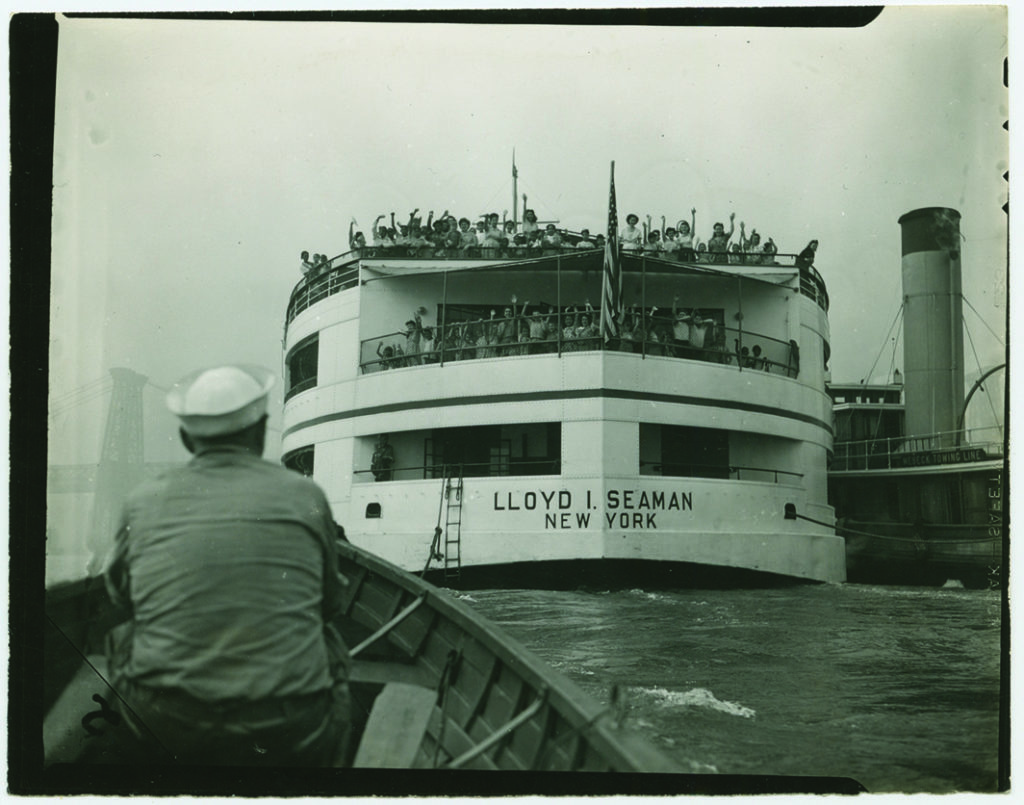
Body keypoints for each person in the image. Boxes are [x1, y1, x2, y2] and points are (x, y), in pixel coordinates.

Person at [102, 365, 351, 766]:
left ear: (186, 437)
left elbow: (122, 599)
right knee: (333, 647)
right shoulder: (305, 494)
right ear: (261, 430)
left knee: (121, 637)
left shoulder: (141, 500)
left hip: (167, 724)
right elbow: (330, 605)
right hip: (287, 728)